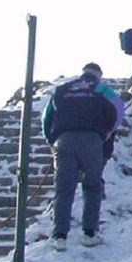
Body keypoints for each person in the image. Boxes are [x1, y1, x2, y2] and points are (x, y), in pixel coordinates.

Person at [42, 63, 122, 250]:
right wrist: (108, 133)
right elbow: (118, 108)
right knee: (92, 186)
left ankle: (60, 236)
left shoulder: (62, 89)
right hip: (92, 139)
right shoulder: (101, 89)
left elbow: (47, 117)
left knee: (63, 189)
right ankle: (89, 233)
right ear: (98, 75)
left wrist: (50, 140)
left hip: (64, 140)